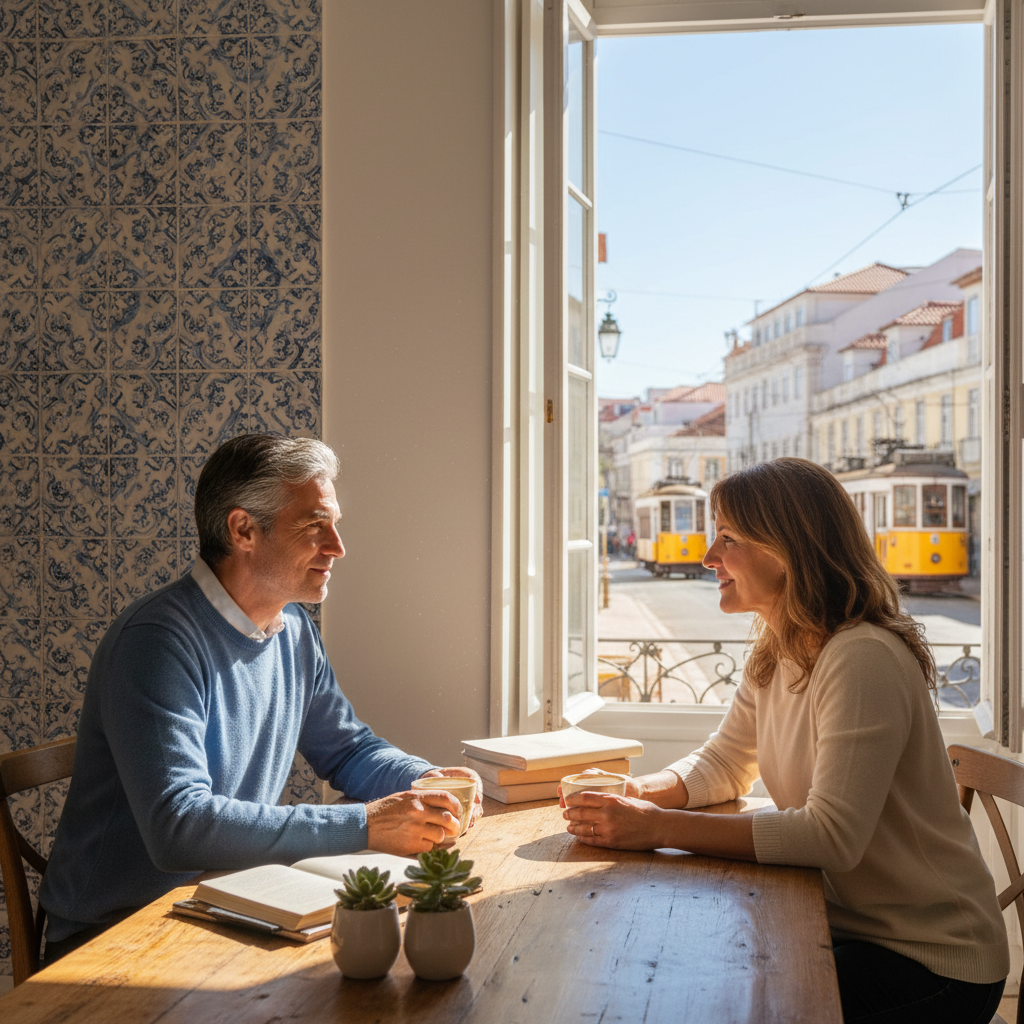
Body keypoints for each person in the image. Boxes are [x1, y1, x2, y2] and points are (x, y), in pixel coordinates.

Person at [561, 458, 1008, 1024]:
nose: (708, 557)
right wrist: (637, 792)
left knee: (721, 1000)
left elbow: (830, 837)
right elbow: (725, 762)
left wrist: (655, 828)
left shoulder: (860, 656)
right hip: (849, 927)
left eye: (728, 538)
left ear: (788, 548)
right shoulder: (779, 646)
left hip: (932, 962)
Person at [40, 434, 481, 961]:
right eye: (315, 524)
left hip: (222, 908)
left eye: (334, 523)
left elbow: (346, 750)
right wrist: (367, 823)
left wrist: (423, 778)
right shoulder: (156, 642)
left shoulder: (292, 628)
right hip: (114, 938)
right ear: (244, 529)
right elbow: (178, 828)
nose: (337, 546)